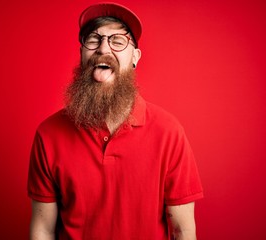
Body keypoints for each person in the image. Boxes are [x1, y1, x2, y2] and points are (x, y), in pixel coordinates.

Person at [27, 2, 203, 240]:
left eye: (118, 41)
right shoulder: (49, 134)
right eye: (93, 39)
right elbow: (43, 230)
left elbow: (182, 231)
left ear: (135, 57)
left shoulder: (169, 132)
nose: (103, 49)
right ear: (82, 54)